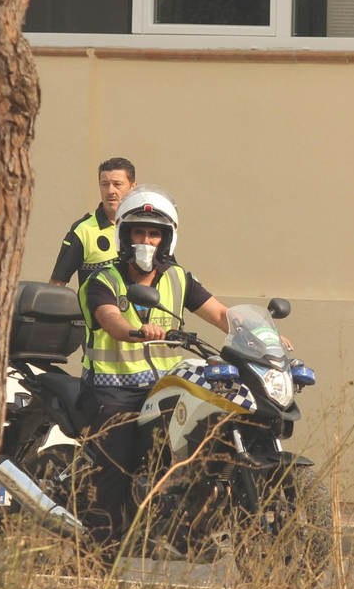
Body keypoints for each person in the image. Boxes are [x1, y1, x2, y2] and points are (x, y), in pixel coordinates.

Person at [78, 184, 230, 548]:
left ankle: (190, 522)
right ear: (125, 235)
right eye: (139, 231)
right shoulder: (102, 280)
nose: (147, 239)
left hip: (165, 386)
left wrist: (261, 333)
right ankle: (98, 553)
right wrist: (137, 331)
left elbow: (222, 314)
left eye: (154, 232)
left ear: (167, 239)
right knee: (116, 468)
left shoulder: (180, 279)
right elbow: (110, 319)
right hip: (113, 389)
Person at [50, 157, 137, 288]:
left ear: (133, 187)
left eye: (117, 184)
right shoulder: (83, 230)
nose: (110, 191)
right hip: (98, 308)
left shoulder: (147, 227)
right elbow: (56, 286)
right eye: (105, 184)